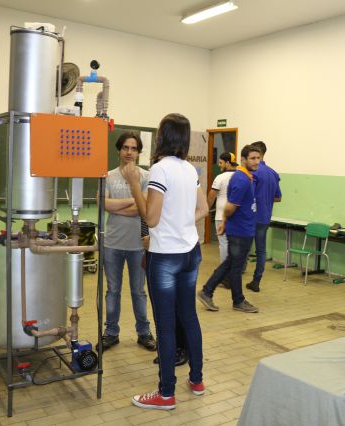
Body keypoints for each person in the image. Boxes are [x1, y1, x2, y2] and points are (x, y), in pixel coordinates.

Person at [124, 113, 209, 410]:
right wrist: (180, 226)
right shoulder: (189, 169)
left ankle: (166, 393)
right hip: (190, 253)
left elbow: (151, 218)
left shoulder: (159, 170)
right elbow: (203, 209)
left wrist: (134, 184)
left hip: (165, 258)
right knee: (189, 317)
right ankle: (196, 380)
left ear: (162, 136)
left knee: (166, 325)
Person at [102, 132, 156, 352]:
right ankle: (111, 333)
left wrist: (118, 206)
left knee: (138, 291)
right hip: (112, 244)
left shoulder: (147, 176)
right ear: (118, 150)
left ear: (139, 152)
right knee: (112, 290)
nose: (129, 152)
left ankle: (144, 333)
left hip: (138, 245)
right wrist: (134, 200)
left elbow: (144, 208)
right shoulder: (108, 176)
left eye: (134, 148)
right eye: (125, 147)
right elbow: (104, 204)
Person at [197, 144, 261, 313]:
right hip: (240, 231)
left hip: (243, 228)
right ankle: (236, 300)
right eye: (252, 158)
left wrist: (225, 222)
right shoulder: (241, 179)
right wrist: (225, 222)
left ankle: (208, 292)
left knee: (230, 263)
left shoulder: (246, 177)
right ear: (243, 159)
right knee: (235, 267)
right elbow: (230, 207)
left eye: (258, 158)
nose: (256, 161)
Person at [245, 141, 282, 293]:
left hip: (251, 217)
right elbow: (278, 197)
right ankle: (256, 281)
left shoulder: (253, 173)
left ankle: (232, 278)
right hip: (265, 217)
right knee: (261, 251)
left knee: (242, 248)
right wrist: (266, 198)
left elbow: (248, 195)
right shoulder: (273, 173)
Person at [207, 152, 237, 265]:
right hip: (236, 215)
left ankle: (224, 269)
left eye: (221, 163)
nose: (219, 165)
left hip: (221, 216)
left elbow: (212, 195)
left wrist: (206, 209)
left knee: (224, 243)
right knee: (234, 243)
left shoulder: (220, 177)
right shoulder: (239, 176)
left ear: (228, 163)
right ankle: (235, 268)